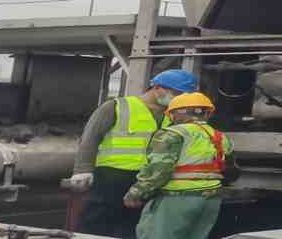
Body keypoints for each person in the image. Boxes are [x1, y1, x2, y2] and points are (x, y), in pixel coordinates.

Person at [69, 69, 198, 239]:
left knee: (134, 227)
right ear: (158, 88)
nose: (180, 99)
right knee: (97, 223)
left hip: (148, 180)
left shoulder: (173, 117)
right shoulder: (116, 106)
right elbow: (90, 137)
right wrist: (83, 169)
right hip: (112, 176)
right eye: (177, 93)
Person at [123, 92, 239, 239]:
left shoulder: (172, 134)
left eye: (171, 114)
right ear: (207, 114)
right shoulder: (220, 136)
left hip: (178, 199)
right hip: (210, 201)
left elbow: (159, 170)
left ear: (178, 113)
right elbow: (231, 169)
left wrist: (136, 193)